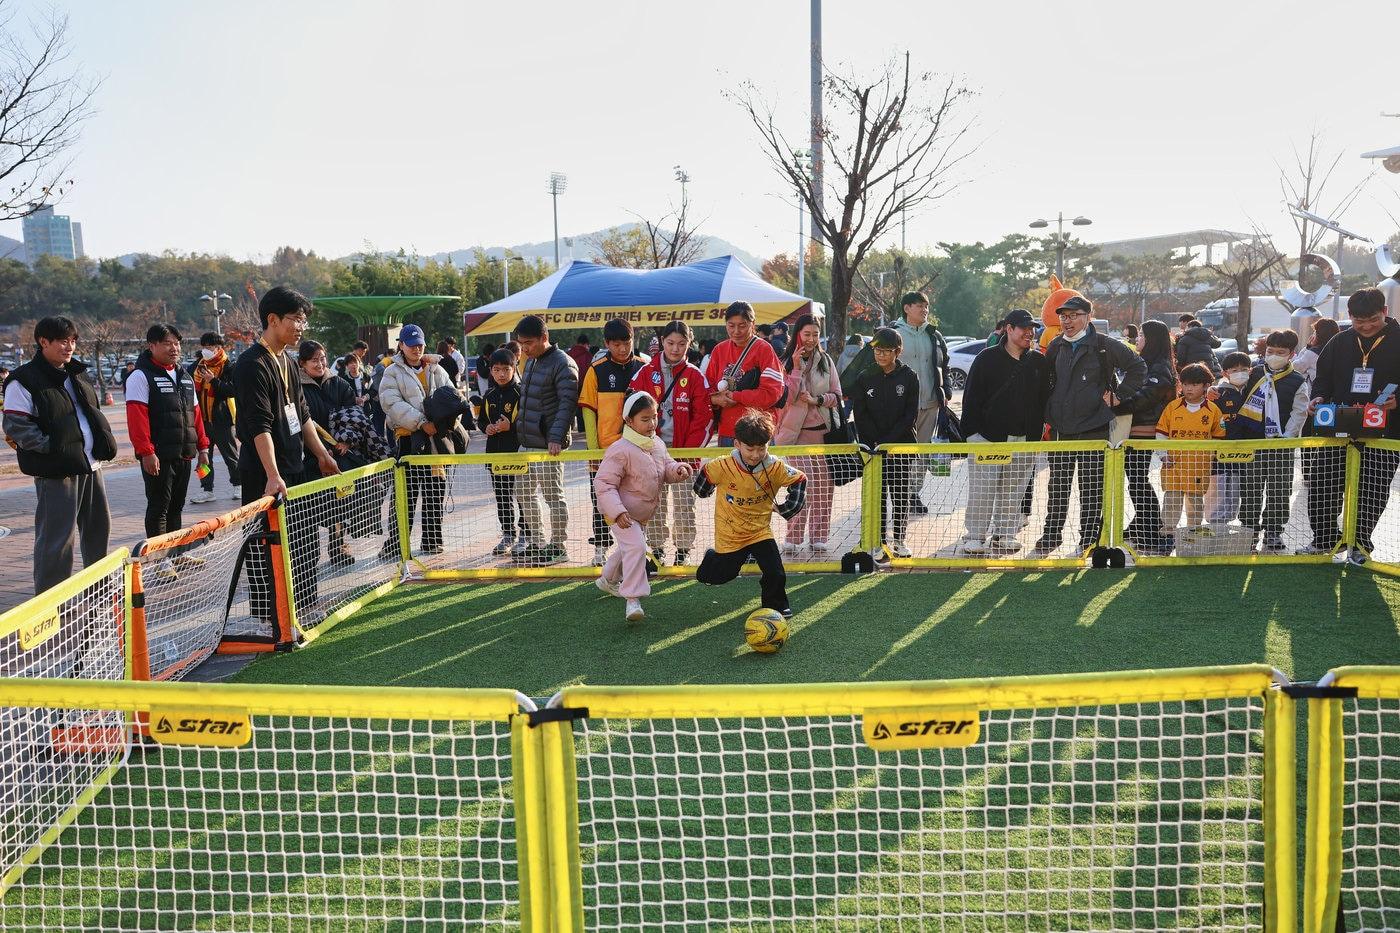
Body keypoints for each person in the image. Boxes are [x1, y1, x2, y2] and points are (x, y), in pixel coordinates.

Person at [234, 287, 340, 626]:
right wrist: (272, 474)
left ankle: (305, 604)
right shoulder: (251, 365)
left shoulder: (290, 363)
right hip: (264, 475)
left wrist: (322, 455)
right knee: (266, 545)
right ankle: (270, 617)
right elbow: (258, 426)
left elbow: (303, 415)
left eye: (303, 321)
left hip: (295, 467)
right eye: (296, 320)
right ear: (273, 319)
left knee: (304, 538)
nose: (300, 327)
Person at [3, 316, 117, 594]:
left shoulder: (77, 373)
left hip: (90, 463)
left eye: (73, 340)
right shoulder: (24, 380)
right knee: (57, 540)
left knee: (98, 530)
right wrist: (51, 449)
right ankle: (52, 600)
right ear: (43, 342)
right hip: (56, 471)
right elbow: (17, 426)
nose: (70, 346)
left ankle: (99, 587)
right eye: (63, 341)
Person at [1034, 295, 1147, 556]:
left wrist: (1118, 396)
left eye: (1074, 315)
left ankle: (1089, 539)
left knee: (1091, 488)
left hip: (1094, 427)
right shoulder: (1055, 346)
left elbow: (1138, 367)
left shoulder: (1105, 345)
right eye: (1064, 316)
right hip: (1061, 428)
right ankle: (1051, 536)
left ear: (1088, 316)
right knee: (1058, 486)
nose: (1068, 321)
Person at [1306, 288, 1400, 563]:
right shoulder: (1339, 341)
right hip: (1337, 426)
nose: (1366, 326)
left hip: (1385, 431)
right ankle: (1324, 539)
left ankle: (1360, 545)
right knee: (1323, 482)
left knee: (1373, 488)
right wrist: (1318, 397)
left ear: (1384, 312)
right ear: (1349, 316)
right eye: (1359, 321)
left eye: (1372, 319)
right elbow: (1322, 378)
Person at [692, 410, 806, 617]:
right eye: (749, 448)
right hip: (730, 534)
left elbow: (799, 479)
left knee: (776, 571)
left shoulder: (775, 467)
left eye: (761, 448)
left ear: (768, 444)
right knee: (722, 575)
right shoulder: (722, 465)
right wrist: (705, 488)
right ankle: (711, 560)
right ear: (737, 444)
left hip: (760, 531)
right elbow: (702, 487)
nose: (755, 454)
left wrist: (785, 508)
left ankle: (776, 606)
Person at [593, 392, 694, 621]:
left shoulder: (656, 443)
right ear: (629, 421)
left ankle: (607, 580)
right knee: (637, 547)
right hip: (622, 515)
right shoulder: (620, 449)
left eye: (655, 417)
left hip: (641, 514)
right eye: (645, 419)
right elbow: (604, 483)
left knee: (629, 548)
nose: (652, 424)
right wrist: (618, 512)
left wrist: (677, 470)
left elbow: (665, 466)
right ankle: (632, 600)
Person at [958, 308, 1050, 556]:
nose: (1029, 333)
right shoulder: (987, 358)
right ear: (1008, 329)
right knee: (983, 489)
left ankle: (1005, 534)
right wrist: (972, 435)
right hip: (988, 438)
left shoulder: (1038, 361)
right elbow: (971, 399)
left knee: (1015, 489)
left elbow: (1044, 400)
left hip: (1025, 438)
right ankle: (975, 535)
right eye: (1023, 328)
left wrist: (1038, 433)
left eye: (1032, 329)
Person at [629, 320, 711, 566]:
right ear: (662, 342)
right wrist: (645, 446)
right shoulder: (644, 373)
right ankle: (656, 550)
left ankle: (683, 550)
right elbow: (631, 415)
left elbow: (704, 419)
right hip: (651, 454)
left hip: (685, 455)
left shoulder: (696, 376)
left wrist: (689, 452)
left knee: (685, 505)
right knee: (653, 504)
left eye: (682, 344)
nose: (676, 349)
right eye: (671, 343)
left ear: (690, 344)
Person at [126, 324, 212, 552]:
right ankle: (159, 559)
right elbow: (137, 418)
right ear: (151, 346)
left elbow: (196, 414)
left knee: (176, 507)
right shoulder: (140, 376)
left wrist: (203, 448)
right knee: (159, 507)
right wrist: (146, 452)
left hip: (184, 454)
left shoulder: (184, 375)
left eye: (176, 343)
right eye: (167, 343)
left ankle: (177, 554)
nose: (173, 348)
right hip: (158, 456)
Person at [378, 324, 454, 557]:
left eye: (419, 344)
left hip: (435, 443)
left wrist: (441, 423)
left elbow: (451, 395)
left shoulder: (436, 369)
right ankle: (396, 543)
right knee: (405, 496)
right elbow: (391, 403)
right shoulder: (392, 372)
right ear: (401, 345)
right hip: (408, 441)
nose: (416, 349)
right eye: (411, 345)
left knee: (435, 491)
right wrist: (421, 422)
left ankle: (432, 540)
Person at [579, 319, 647, 565]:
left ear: (633, 339)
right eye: (616, 344)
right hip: (605, 451)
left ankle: (638, 548)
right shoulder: (596, 369)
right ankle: (600, 548)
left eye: (626, 343)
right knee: (601, 501)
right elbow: (588, 410)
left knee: (636, 499)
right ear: (607, 343)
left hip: (637, 449)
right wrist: (594, 448)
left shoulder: (644, 367)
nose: (622, 349)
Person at [512, 315, 579, 565]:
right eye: (521, 344)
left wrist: (557, 437)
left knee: (553, 496)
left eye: (528, 343)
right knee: (523, 493)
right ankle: (538, 542)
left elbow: (567, 403)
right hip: (526, 442)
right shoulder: (529, 362)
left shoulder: (563, 363)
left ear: (544, 338)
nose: (524, 349)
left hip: (549, 445)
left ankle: (558, 545)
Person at [1234, 330, 1309, 552]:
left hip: (1280, 446)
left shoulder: (1297, 381)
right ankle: (1248, 531)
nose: (1274, 355)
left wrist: (1286, 437)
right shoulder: (1253, 373)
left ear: (1291, 354)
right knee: (1250, 490)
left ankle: (1273, 532)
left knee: (1279, 490)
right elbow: (1235, 394)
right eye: (1270, 351)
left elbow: (1299, 412)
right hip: (1252, 444)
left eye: (1280, 352)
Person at [775, 313, 842, 554]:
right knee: (800, 485)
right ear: (798, 335)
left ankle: (819, 536)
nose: (812, 339)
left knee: (824, 488)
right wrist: (795, 368)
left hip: (823, 433)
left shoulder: (826, 361)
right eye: (807, 334)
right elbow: (786, 398)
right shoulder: (785, 361)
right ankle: (793, 537)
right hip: (795, 435)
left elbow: (837, 395)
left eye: (815, 334)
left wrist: (817, 399)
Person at [850, 327, 920, 558]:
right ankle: (878, 541)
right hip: (873, 449)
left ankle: (899, 539)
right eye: (877, 350)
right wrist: (875, 443)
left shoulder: (909, 377)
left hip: (900, 446)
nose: (881, 355)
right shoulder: (864, 377)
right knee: (877, 496)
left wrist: (889, 443)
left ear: (897, 351)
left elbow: (909, 416)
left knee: (900, 494)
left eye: (886, 351)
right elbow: (860, 416)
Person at [296, 340, 357, 575]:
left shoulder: (339, 384)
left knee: (340, 501)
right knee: (313, 504)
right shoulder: (297, 387)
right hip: (310, 457)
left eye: (322, 358)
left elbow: (353, 414)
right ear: (302, 364)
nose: (320, 363)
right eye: (314, 360)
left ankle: (338, 544)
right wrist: (319, 449)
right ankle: (310, 553)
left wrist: (345, 440)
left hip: (339, 452)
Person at [1121, 320, 1177, 555]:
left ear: (1152, 339)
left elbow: (1147, 397)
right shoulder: (1148, 363)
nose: (1138, 339)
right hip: (1137, 428)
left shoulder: (1159, 367)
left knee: (1137, 479)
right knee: (1136, 479)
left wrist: (1118, 405)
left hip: (1145, 429)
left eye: (1142, 335)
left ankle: (1149, 528)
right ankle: (1142, 524)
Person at [1155, 363, 1225, 545]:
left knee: (1195, 503)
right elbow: (1161, 433)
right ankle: (1167, 534)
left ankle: (1192, 533)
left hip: (1198, 467)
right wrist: (1163, 455)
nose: (1189, 388)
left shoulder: (1214, 411)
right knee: (1171, 500)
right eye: (1185, 384)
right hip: (1173, 465)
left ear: (1205, 386)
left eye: (1194, 384)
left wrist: (1210, 456)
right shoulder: (1173, 407)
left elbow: (1219, 436)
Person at [705, 301, 785, 446]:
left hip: (758, 433)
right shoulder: (719, 350)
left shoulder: (764, 349)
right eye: (731, 325)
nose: (736, 331)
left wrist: (736, 396)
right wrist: (716, 399)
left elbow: (771, 394)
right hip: (727, 432)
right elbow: (707, 389)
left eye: (742, 326)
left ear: (752, 324)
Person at [479, 347, 524, 555]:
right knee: (502, 495)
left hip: (517, 454)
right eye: (496, 370)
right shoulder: (488, 394)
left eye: (506, 369)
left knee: (523, 495)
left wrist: (511, 427)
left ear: (514, 368)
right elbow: (481, 422)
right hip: (495, 454)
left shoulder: (520, 393)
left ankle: (526, 534)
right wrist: (486, 428)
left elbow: (528, 423)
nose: (501, 374)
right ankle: (508, 534)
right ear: (491, 371)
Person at [1205, 351, 1255, 529]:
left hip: (1242, 451)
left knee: (1234, 488)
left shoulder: (1252, 388)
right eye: (1235, 370)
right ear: (1226, 372)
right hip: (1219, 452)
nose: (1240, 373)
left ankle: (1227, 522)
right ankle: (1214, 523)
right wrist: (1209, 391)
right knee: (1217, 487)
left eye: (1244, 369)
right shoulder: (1218, 393)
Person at [189, 332, 240, 503]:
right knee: (203, 457)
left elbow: (233, 390)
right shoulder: (197, 366)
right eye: (204, 347)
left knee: (230, 454)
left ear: (219, 348)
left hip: (221, 419)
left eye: (210, 347)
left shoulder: (228, 366)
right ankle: (207, 489)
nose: (206, 350)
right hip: (202, 420)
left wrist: (213, 381)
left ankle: (238, 484)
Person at [1293, 317, 1339, 383]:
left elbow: (1296, 367)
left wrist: (1307, 348)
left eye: (1315, 332)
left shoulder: (1312, 353)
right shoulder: (1338, 350)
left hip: (1314, 390)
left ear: (1319, 335)